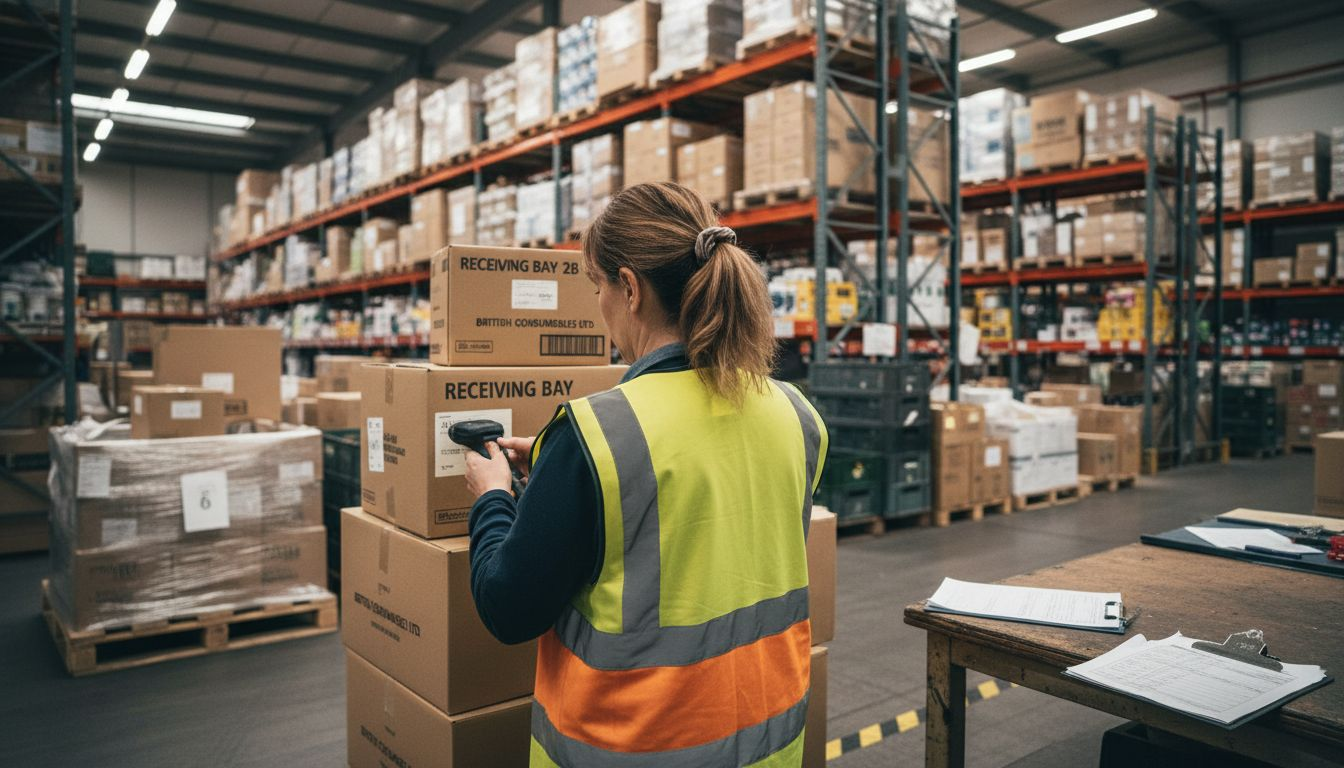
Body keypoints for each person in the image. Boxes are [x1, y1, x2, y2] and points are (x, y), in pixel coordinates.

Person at [464, 182, 828, 767]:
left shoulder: (596, 434)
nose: (599, 304)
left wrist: (493, 497)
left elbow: (508, 608)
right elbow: (708, 523)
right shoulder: (795, 414)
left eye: (597, 287)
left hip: (637, 750)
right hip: (767, 750)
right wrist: (562, 469)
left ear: (629, 288)